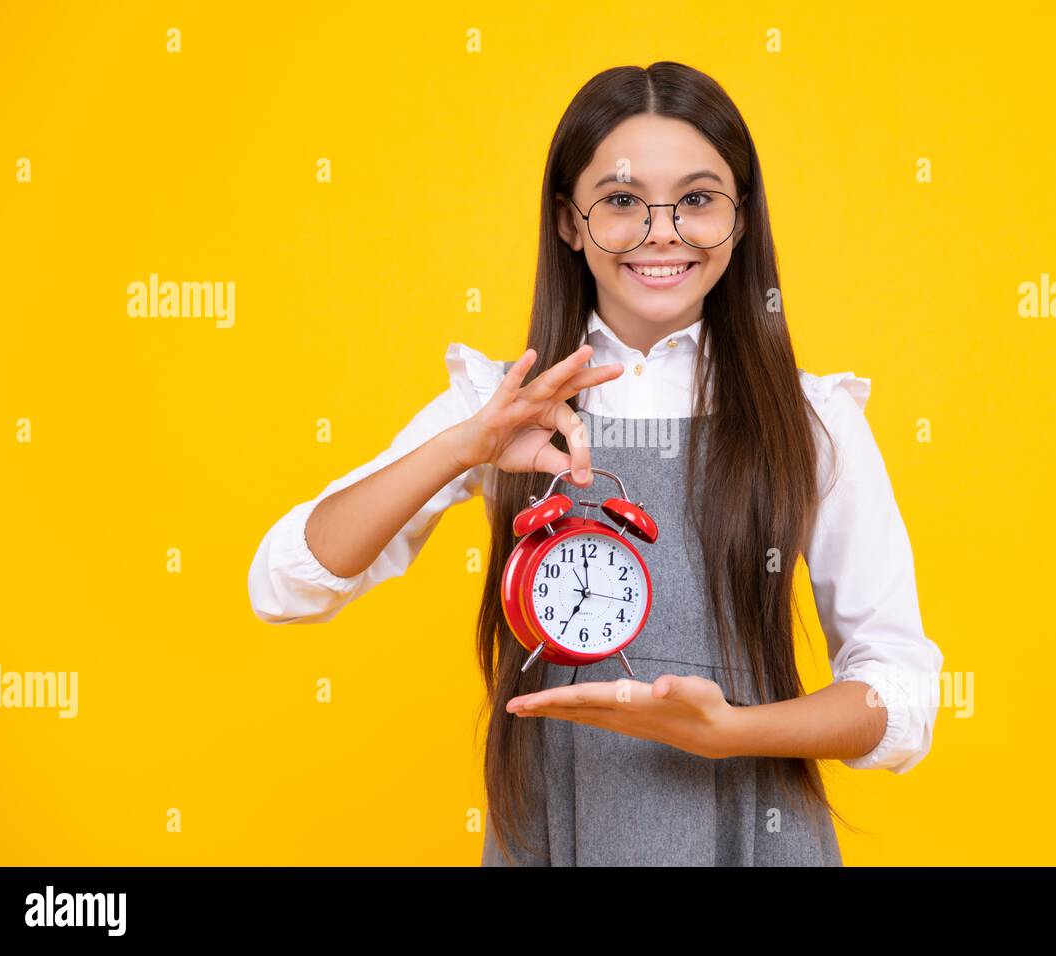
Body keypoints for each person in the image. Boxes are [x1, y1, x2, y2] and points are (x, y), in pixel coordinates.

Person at [248, 61, 944, 867]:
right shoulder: (503, 405)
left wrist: (730, 733)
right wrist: (463, 446)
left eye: (697, 199)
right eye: (620, 201)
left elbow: (901, 696)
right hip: (557, 831)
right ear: (569, 222)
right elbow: (285, 585)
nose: (661, 232)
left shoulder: (810, 417)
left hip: (752, 835)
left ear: (742, 218)